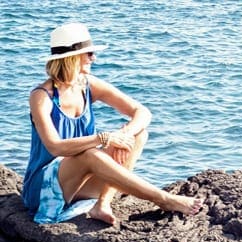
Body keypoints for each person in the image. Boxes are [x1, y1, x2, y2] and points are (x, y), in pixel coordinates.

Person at [22, 22, 202, 225]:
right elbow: (54, 146)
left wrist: (124, 135)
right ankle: (163, 199)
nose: (94, 58)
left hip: (79, 182)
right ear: (71, 58)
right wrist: (104, 138)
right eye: (89, 54)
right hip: (43, 189)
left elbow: (142, 112)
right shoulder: (42, 96)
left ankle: (103, 203)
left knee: (138, 135)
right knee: (91, 154)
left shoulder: (88, 85)